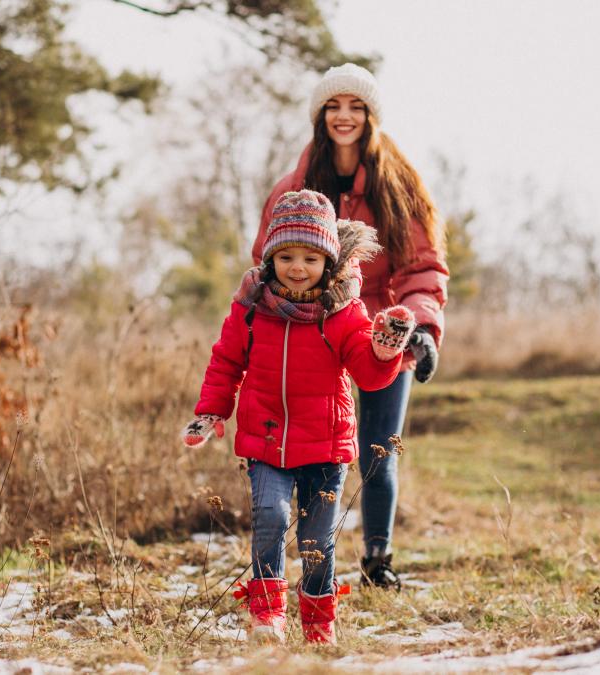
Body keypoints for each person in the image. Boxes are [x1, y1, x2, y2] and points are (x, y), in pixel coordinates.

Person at [182, 189, 416, 645]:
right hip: (265, 439)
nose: (297, 267)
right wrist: (210, 411)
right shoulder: (252, 308)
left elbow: (368, 375)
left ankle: (317, 624)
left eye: (310, 257)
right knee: (269, 514)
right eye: (286, 256)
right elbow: (226, 361)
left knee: (316, 542)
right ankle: (266, 617)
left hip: (325, 447)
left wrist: (385, 349)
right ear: (270, 258)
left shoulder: (345, 313)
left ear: (328, 261)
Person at [252, 63, 449, 591]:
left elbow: (421, 267)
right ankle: (304, 562)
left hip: (384, 334)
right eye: (334, 107)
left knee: (379, 448)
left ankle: (377, 559)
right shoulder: (293, 188)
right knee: (314, 450)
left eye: (356, 106)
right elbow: (264, 266)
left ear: (371, 116)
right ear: (320, 116)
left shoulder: (399, 186)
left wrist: (422, 327)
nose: (344, 116)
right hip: (314, 334)